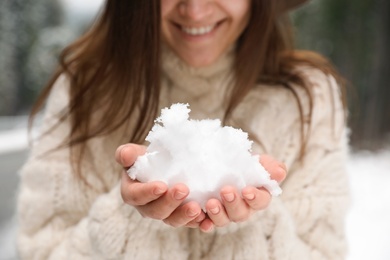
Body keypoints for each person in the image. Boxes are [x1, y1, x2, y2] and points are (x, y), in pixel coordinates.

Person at [17, 0, 350, 259]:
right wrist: (133, 217)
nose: (195, 10)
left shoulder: (308, 96)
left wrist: (251, 219)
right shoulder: (84, 88)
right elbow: (39, 252)